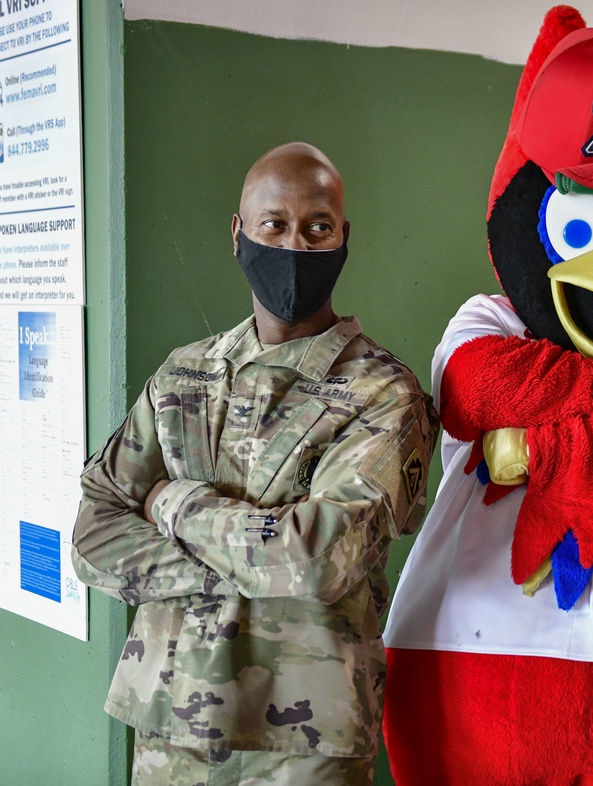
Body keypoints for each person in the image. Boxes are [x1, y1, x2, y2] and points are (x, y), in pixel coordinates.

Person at [71, 142, 438, 785]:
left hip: (304, 741)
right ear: (239, 233)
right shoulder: (182, 373)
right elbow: (93, 535)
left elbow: (314, 561)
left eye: (317, 227)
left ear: (342, 238)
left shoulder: (385, 394)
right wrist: (246, 566)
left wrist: (173, 504)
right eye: (274, 224)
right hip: (169, 724)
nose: (294, 246)